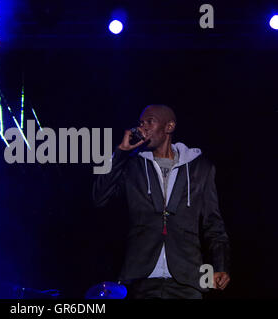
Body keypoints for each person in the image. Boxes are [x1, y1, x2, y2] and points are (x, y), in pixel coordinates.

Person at [93, 104, 231, 299]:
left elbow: (213, 223)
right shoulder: (133, 166)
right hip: (141, 277)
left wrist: (220, 265)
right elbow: (99, 197)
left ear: (169, 127)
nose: (143, 128)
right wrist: (121, 152)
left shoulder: (200, 168)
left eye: (150, 122)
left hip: (188, 278)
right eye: (141, 123)